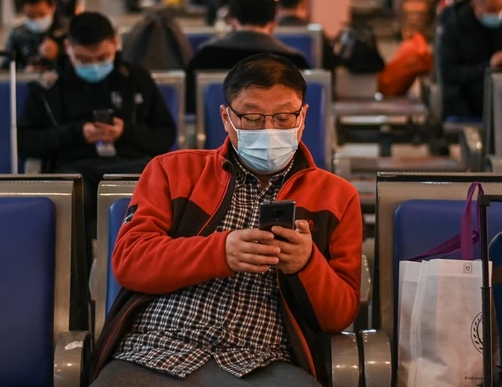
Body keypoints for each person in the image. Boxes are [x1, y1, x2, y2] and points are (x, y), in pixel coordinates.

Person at [88, 54, 362, 387]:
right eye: (252, 118)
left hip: (263, 358)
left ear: (302, 117)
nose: (269, 130)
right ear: (226, 117)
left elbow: (339, 316)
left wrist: (306, 264)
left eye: (283, 117)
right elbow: (130, 262)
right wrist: (220, 252)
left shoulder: (337, 196)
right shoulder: (173, 171)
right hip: (155, 348)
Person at [18, 12, 176, 237]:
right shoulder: (48, 89)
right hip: (76, 169)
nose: (94, 65)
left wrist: (125, 132)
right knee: (73, 198)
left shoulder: (137, 79)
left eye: (102, 57)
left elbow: (165, 135)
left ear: (115, 43)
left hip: (131, 165)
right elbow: (26, 143)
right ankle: (77, 260)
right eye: (83, 59)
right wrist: (77, 133)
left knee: (159, 187)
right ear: (68, 47)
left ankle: (149, 255)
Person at [187, 0, 310, 112]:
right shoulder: (294, 61)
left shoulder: (205, 56)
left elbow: (190, 108)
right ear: (273, 24)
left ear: (231, 22)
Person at [0, 0, 68, 72]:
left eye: (42, 14)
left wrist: (59, 54)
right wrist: (23, 72)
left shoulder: (66, 32)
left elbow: (78, 68)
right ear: (23, 11)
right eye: (31, 16)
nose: (37, 20)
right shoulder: (17, 34)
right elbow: (4, 69)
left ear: (52, 7)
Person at [276, 0, 334, 70]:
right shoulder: (317, 35)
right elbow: (329, 68)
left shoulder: (269, 34)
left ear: (279, 4)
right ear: (303, 3)